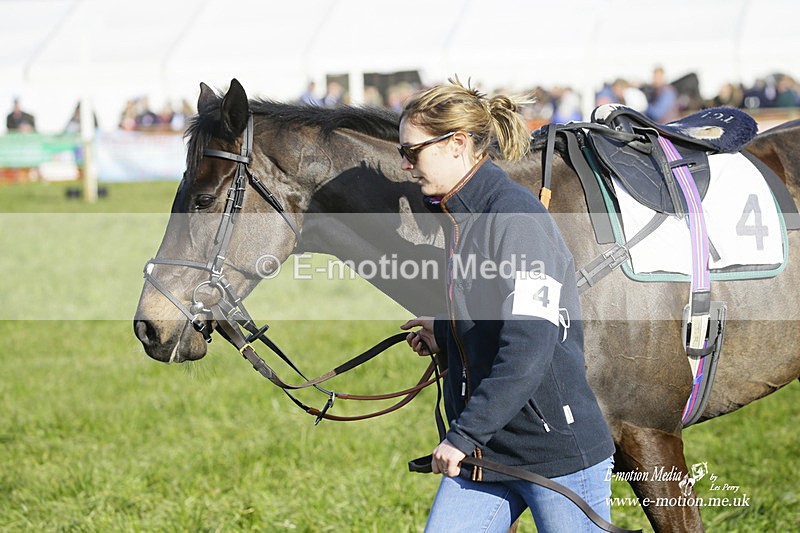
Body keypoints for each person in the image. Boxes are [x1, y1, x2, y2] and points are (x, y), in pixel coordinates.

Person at [398, 79, 615, 532]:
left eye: (412, 152)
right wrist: (448, 331)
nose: (405, 165)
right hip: (486, 455)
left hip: (553, 454)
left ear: (456, 144)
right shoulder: (461, 216)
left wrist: (463, 435)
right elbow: (498, 312)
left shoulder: (513, 217)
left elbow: (530, 343)